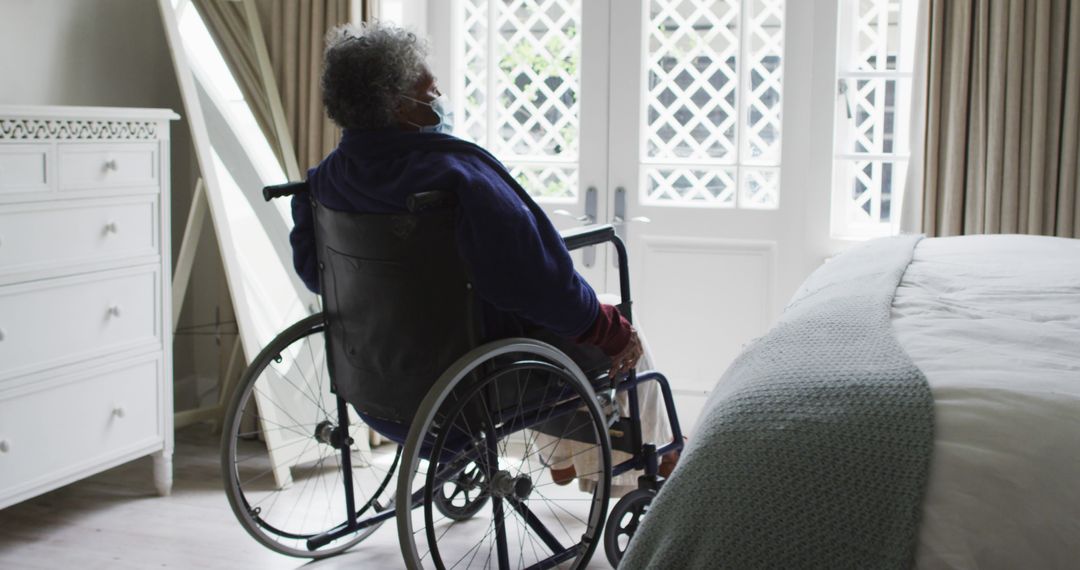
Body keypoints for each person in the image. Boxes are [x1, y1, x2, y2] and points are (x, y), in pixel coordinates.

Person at [289, 22, 676, 487]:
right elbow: (535, 280)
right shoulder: (456, 178)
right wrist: (612, 331)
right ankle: (662, 458)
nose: (439, 99)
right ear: (399, 106)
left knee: (547, 314)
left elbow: (317, 276)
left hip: (377, 384)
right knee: (612, 323)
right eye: (430, 92)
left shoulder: (326, 180)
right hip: (463, 387)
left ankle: (565, 455)